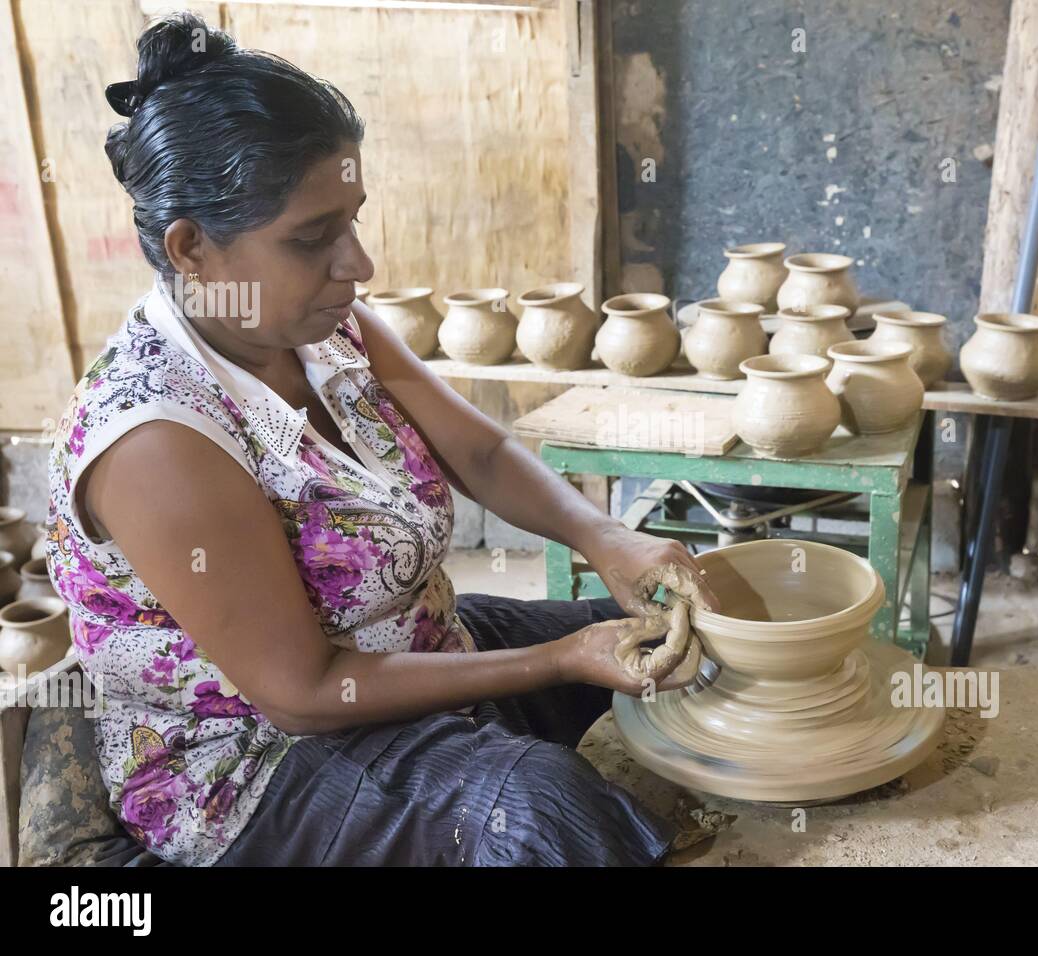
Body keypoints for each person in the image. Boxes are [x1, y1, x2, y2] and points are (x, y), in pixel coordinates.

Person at [46, 11, 716, 867]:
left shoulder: (327, 330)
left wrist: (608, 537)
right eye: (313, 237)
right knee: (543, 812)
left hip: (404, 640)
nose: (358, 263)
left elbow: (479, 453)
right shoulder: (154, 436)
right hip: (254, 759)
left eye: (352, 219)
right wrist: (558, 661)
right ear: (193, 250)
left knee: (677, 644)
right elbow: (302, 691)